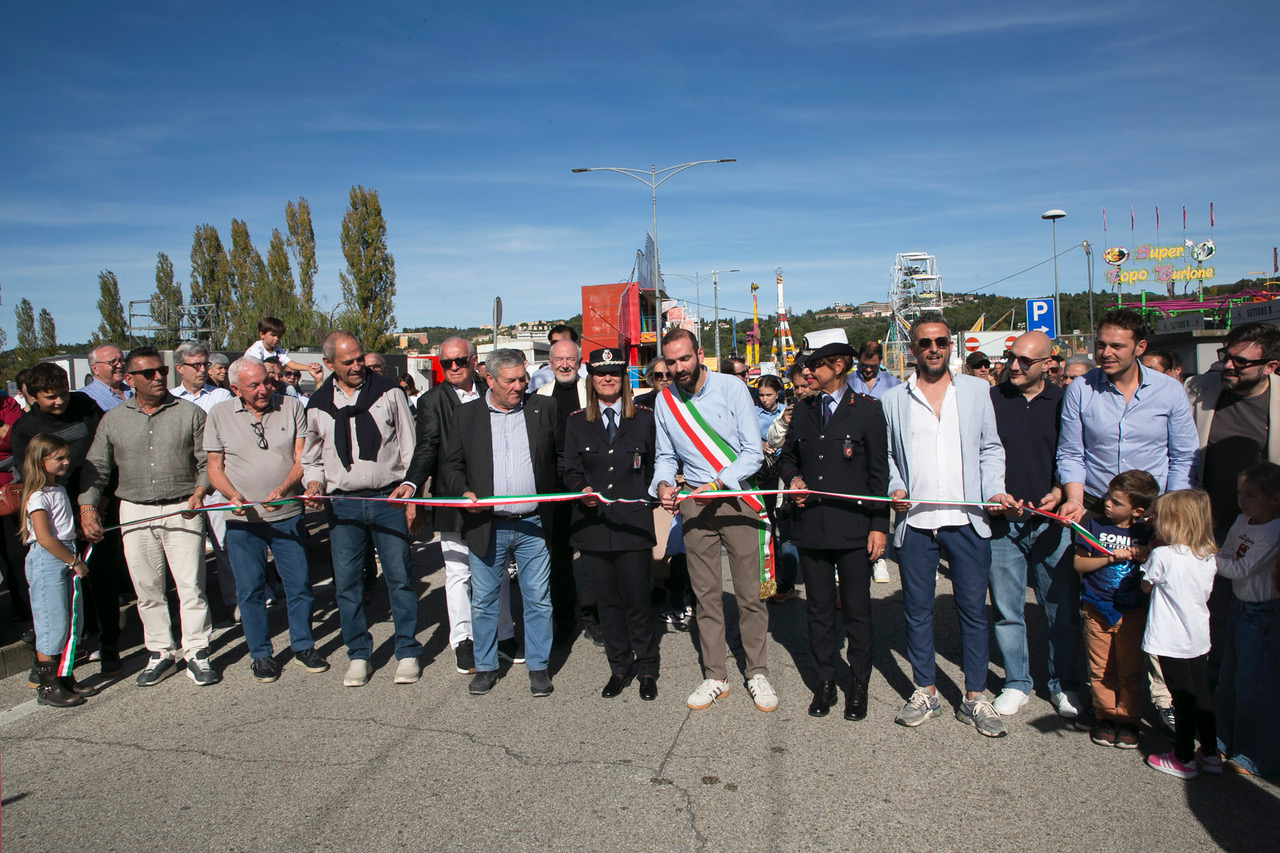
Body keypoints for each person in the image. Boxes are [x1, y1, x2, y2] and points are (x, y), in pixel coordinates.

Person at [1058, 309, 1199, 736]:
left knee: (1152, 609)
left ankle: (1157, 701)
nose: (1105, 352)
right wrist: (1076, 500)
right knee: (1099, 605)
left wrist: (1168, 515)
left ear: (1140, 348)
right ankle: (1106, 706)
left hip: (1154, 512)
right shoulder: (1082, 388)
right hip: (1100, 510)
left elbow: (1184, 455)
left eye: (1116, 345)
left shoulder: (1169, 393)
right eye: (1101, 344)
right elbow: (1072, 452)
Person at [881, 314, 1015, 737]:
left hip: (967, 520)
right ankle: (926, 691)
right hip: (917, 523)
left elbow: (990, 447)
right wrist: (897, 487)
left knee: (973, 611)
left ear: (951, 346)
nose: (934, 348)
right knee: (917, 612)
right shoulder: (892, 400)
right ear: (913, 349)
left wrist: (994, 490)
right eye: (925, 343)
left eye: (940, 341)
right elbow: (886, 457)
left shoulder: (977, 391)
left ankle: (975, 698)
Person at [650, 329, 777, 713]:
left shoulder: (733, 389)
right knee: (704, 595)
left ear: (699, 355)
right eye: (670, 362)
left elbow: (753, 453)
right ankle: (715, 676)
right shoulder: (664, 400)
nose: (677, 368)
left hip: (736, 497)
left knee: (749, 594)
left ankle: (756, 671)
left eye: (684, 359)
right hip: (693, 505)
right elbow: (665, 455)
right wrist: (662, 483)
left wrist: (718, 482)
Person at [80, 347, 219, 688]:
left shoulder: (188, 413)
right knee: (147, 588)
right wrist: (87, 506)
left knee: (190, 586)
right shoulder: (113, 419)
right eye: (148, 373)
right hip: (134, 510)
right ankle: (160, 652)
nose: (158, 377)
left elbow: (207, 462)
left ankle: (197, 652)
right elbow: (96, 467)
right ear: (129, 379)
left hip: (182, 507)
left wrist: (200, 492)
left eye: (161, 371)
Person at [440, 348, 563, 698]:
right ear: (489, 379)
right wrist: (462, 491)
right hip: (486, 524)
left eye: (523, 378)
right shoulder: (466, 416)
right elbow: (451, 465)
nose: (519, 385)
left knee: (538, 599)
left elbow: (560, 457)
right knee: (484, 600)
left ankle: (539, 667)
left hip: (533, 524)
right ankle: (486, 665)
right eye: (510, 380)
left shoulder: (544, 409)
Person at [302, 332, 422, 688]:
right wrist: (312, 483)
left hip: (389, 499)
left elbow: (409, 447)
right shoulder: (319, 404)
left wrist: (411, 495)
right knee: (347, 584)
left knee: (399, 579)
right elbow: (311, 458)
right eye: (347, 362)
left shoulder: (389, 392)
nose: (357, 367)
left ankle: (407, 650)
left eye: (359, 359)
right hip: (343, 504)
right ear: (328, 366)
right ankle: (358, 653)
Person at [778, 342, 889, 720]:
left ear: (838, 366)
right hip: (812, 528)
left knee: (857, 612)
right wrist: (793, 479)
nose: (808, 373)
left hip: (853, 528)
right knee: (819, 611)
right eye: (806, 368)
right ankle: (825, 680)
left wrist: (878, 525)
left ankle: (859, 684)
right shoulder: (804, 411)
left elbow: (878, 475)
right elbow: (786, 456)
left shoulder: (868, 412)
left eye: (815, 367)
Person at [205, 357, 329, 683]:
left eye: (267, 382)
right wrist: (231, 494)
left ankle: (303, 645)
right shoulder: (218, 415)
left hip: (286, 515)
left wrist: (285, 487)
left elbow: (302, 458)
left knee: (299, 584)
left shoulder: (290, 406)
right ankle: (261, 654)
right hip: (243, 521)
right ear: (234, 389)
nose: (264, 390)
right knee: (250, 591)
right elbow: (213, 467)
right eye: (254, 385)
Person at [404, 337, 517, 674]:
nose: (453, 367)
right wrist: (413, 483)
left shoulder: (492, 387)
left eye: (460, 361)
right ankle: (463, 641)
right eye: (446, 363)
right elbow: (426, 446)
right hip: (452, 499)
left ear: (474, 360)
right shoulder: (431, 401)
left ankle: (505, 633)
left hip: (494, 496)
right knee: (458, 574)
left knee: (499, 570)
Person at [988, 332, 1082, 719]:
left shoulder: (1065, 402)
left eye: (1025, 361)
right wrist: (991, 493)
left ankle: (1065, 683)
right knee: (1007, 610)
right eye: (1011, 358)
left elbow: (1076, 454)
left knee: (1060, 608)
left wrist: (1061, 492)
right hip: (1001, 523)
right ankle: (1016, 682)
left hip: (1052, 521)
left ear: (1049, 364)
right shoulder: (991, 401)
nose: (1014, 366)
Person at [11, 363, 121, 677]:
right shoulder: (24, 429)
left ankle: (110, 644)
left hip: (98, 501)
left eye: (62, 394)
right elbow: (32, 477)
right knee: (65, 593)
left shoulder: (86, 406)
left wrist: (96, 505)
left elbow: (108, 454)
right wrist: (71, 516)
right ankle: (69, 651)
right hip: (57, 513)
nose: (60, 402)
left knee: (104, 578)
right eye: (50, 398)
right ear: (32, 397)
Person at [564, 348, 660, 700]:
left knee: (637, 599)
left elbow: (656, 465)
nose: (608, 378)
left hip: (632, 525)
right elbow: (571, 471)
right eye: (602, 373)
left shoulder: (644, 419)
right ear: (592, 379)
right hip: (592, 526)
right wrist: (581, 490)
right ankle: (619, 666)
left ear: (624, 379)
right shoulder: (577, 422)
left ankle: (647, 666)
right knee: (607, 603)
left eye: (615, 373)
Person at [1074, 470, 1158, 749]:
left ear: (1138, 510)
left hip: (1132, 611)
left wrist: (1146, 553)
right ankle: (1105, 717)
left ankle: (1129, 719)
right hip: (1096, 608)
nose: (1108, 503)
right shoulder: (1095, 525)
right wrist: (1109, 557)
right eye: (1109, 497)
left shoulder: (1147, 533)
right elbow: (1080, 564)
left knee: (1130, 670)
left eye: (1117, 502)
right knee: (1100, 669)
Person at [1140, 489, 1220, 779]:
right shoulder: (1207, 555)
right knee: (1201, 694)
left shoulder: (1163, 555)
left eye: (1157, 517)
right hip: (1198, 636)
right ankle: (1210, 753)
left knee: (1181, 698)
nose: (1153, 522)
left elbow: (1146, 585)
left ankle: (1183, 757)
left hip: (1170, 639)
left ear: (1174, 520)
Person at [1212, 462, 1280, 776]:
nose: (1242, 501)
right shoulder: (1242, 520)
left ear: (1275, 499)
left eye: (1251, 495)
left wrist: (1201, 555)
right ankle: (1223, 740)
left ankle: (1254, 753)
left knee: (1254, 686)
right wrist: (1213, 557)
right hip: (1239, 608)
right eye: (1240, 494)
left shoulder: (1275, 531)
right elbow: (1226, 555)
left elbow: (1237, 567)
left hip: (1262, 615)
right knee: (1229, 680)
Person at [20, 435, 92, 707]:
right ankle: (47, 687)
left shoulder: (58, 490)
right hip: (50, 558)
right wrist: (74, 561)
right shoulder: (37, 495)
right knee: (52, 623)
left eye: (67, 457)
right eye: (59, 458)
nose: (66, 462)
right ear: (40, 461)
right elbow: (45, 538)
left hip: (64, 554)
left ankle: (64, 676)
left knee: (73, 619)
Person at [171, 341, 238, 621]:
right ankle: (190, 610)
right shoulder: (171, 399)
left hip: (215, 481)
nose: (202, 370)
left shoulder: (221, 396)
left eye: (205, 364)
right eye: (196, 365)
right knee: (187, 552)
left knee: (224, 544)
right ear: (179, 368)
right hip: (184, 483)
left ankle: (235, 599)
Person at [535, 338, 593, 646]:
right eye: (559, 359)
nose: (564, 364)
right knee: (558, 558)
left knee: (593, 555)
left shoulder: (593, 391)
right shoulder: (539, 397)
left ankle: (593, 616)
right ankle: (564, 619)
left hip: (588, 484)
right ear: (550, 362)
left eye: (570, 359)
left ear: (580, 362)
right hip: (554, 489)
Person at [756, 375, 798, 602]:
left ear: (778, 394)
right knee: (766, 523)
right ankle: (769, 577)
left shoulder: (787, 411)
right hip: (764, 473)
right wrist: (758, 443)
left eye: (769, 395)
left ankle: (787, 579)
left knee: (785, 525)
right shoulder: (754, 413)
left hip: (786, 473)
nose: (764, 399)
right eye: (761, 395)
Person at [244, 317, 324, 383]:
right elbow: (257, 370)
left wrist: (308, 367)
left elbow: (291, 364)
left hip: (270, 381)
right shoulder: (256, 350)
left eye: (279, 336)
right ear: (262, 334)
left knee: (290, 390)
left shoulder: (278, 349)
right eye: (273, 335)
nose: (276, 339)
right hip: (255, 381)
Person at [528, 324, 586, 393]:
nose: (565, 365)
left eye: (565, 342)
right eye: (555, 343)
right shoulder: (539, 377)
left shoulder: (587, 374)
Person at [81, 344, 130, 411]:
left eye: (121, 360)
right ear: (95, 369)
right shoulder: (85, 398)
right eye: (112, 362)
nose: (120, 365)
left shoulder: (134, 391)